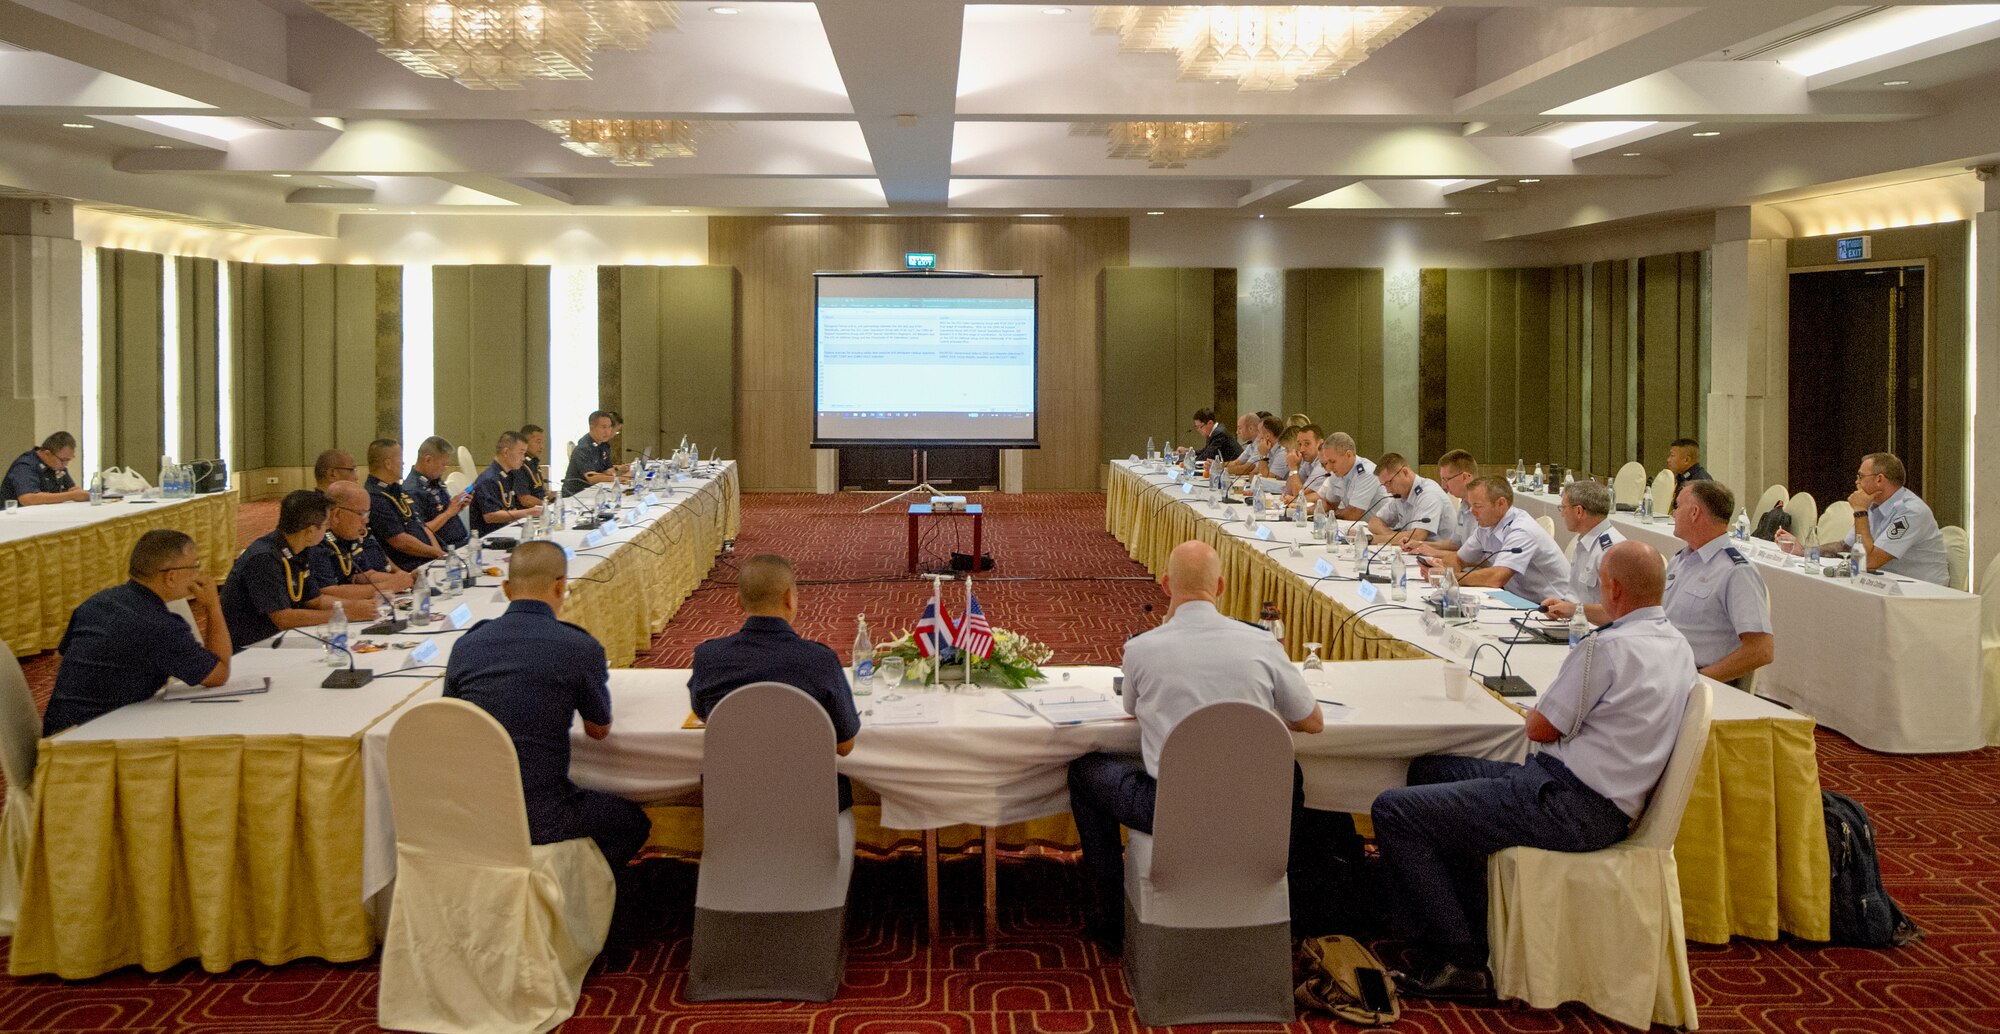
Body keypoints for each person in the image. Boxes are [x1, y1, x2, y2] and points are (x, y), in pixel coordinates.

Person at [1370, 540, 1694, 1000]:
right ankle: (1467, 917)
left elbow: (1541, 728)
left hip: (1568, 804)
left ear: (1614, 590)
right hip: (1600, 800)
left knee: (1393, 811)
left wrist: (1544, 709)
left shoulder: (1606, 648)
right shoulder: (1678, 646)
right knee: (1430, 770)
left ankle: (1458, 960)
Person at [1067, 540, 1322, 950]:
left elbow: (1132, 710)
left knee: (1084, 771)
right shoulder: (1262, 644)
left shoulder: (1142, 649)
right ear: (1220, 587)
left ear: (1165, 585)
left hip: (1168, 811)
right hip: (1253, 811)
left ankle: (1111, 913)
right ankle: (1296, 891)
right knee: (1290, 772)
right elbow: (1313, 721)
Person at [443, 540, 650, 868]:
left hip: (468, 811)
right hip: (542, 815)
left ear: (507, 589)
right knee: (632, 823)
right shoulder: (578, 647)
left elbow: (452, 721)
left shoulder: (466, 645)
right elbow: (598, 731)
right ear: (561, 587)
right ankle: (582, 893)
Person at [687, 554, 861, 808]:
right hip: (810, 807)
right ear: (790, 598)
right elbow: (844, 745)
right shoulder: (819, 661)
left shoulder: (708, 657)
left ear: (738, 602)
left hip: (735, 809)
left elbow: (705, 715)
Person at [41, 530, 232, 734]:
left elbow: (59, 657)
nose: (199, 574)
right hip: (89, 744)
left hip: (61, 729)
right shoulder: (159, 626)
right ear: (171, 576)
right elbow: (218, 675)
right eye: (195, 566)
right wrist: (212, 606)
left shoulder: (98, 601)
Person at [219, 490, 373, 652]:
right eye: (326, 524)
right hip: (249, 646)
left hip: (280, 637)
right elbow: (283, 618)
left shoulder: (299, 548)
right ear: (310, 531)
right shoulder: (264, 558)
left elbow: (316, 600)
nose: (328, 529)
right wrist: (348, 614)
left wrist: (358, 606)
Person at [1778, 451, 1948, 585]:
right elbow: (1846, 546)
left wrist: (1860, 511)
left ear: (1879, 479)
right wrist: (1806, 551)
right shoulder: (1874, 504)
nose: (1856, 482)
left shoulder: (1911, 512)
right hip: (1886, 583)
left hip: (1922, 591)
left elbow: (1869, 561)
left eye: (1860, 476)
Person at [1664, 480, 1773, 686]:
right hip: (1665, 669)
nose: (1673, 513)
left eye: (1677, 506)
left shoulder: (1736, 571)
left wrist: (1699, 683)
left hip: (1696, 679)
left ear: (1694, 513)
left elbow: (1762, 650)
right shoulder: (1680, 560)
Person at [1415, 477, 1570, 601]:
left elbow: (1497, 578)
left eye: (1478, 506)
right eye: (1470, 505)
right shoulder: (1486, 526)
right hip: (1517, 599)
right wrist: (1440, 567)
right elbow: (1460, 559)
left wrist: (1449, 577)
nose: (1472, 511)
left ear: (1500, 504)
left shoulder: (1521, 530)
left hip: (1551, 608)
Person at [305, 480, 416, 600]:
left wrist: (405, 578)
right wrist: (389, 586)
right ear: (336, 514)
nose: (366, 521)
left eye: (367, 514)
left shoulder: (348, 535)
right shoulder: (317, 541)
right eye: (362, 514)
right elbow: (328, 591)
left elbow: (365, 575)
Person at [1539, 478, 1624, 625]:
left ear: (1579, 511)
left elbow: (1616, 612)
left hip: (1597, 634)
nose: (1562, 514)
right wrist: (1561, 606)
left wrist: (1572, 609)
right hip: (1575, 624)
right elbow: (1579, 598)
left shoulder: (1613, 551)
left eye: (1563, 508)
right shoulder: (1584, 541)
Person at [363, 438, 447, 570]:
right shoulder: (375, 497)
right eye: (400, 458)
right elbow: (400, 541)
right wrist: (436, 553)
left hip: (428, 560)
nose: (403, 462)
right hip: (409, 566)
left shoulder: (395, 489)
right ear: (388, 464)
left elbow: (421, 525)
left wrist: (439, 555)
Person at [403, 435, 472, 552]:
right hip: (445, 550)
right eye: (443, 464)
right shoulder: (412, 490)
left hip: (462, 543)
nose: (444, 469)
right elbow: (421, 532)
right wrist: (449, 513)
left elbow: (441, 510)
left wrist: (457, 506)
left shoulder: (434, 480)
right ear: (428, 460)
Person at [470, 431, 545, 537]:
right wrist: (528, 513)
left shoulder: (508, 476)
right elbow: (490, 516)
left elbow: (510, 508)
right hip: (489, 538)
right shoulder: (489, 479)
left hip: (506, 532)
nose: (523, 458)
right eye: (521, 453)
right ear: (506, 452)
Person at [1299, 432, 1382, 520]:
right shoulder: (1336, 473)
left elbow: (1353, 514)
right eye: (1328, 462)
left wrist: (1331, 514)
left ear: (1348, 455)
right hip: (1357, 527)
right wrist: (1304, 511)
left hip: (1385, 530)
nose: (1329, 468)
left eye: (1333, 462)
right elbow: (1329, 504)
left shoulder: (1366, 473)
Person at [1369, 453, 1448, 544]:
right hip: (1415, 551)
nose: (1388, 490)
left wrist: (1373, 539)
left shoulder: (1429, 494)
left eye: (1389, 483)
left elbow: (1418, 536)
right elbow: (1374, 522)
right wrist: (1390, 535)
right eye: (1384, 485)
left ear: (1405, 472)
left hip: (1439, 554)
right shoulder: (1401, 494)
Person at [2, 431, 88, 506]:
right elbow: (27, 498)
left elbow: (70, 488)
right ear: (47, 454)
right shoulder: (25, 465)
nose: (65, 464)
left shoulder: (57, 465)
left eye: (68, 460)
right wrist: (71, 495)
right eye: (63, 460)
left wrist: (79, 492)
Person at [563, 410, 626, 495]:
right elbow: (592, 478)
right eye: (603, 427)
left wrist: (622, 472)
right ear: (592, 428)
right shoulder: (583, 448)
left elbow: (607, 470)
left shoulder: (603, 445)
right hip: (576, 494)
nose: (608, 431)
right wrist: (618, 478)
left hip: (595, 491)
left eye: (609, 427)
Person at [1434, 450, 1482, 547]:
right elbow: (1455, 544)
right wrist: (1420, 545)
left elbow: (1476, 558)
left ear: (1465, 477)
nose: (1444, 486)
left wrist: (1432, 552)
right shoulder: (1464, 504)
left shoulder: (1485, 508)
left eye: (1446, 480)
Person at [1283, 424, 1324, 502]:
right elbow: (1288, 492)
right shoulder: (1307, 463)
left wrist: (1293, 467)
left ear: (1320, 443)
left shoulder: (1323, 465)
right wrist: (1295, 467)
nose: (1301, 449)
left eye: (1307, 444)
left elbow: (1298, 494)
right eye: (1300, 444)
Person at [513, 423, 549, 503]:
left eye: (542, 442)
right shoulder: (519, 465)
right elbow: (525, 499)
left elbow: (541, 491)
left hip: (540, 508)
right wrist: (546, 507)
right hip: (527, 513)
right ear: (525, 443)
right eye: (538, 442)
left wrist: (553, 496)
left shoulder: (534, 463)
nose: (541, 446)